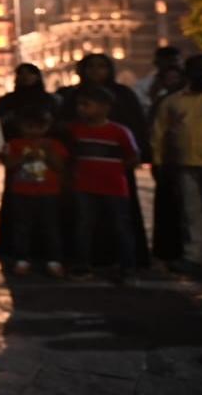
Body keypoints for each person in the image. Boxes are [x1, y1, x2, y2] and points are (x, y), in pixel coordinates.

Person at [56, 54, 150, 267]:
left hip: (115, 172)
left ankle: (125, 261)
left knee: (119, 219)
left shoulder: (123, 95)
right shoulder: (72, 96)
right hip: (82, 171)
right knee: (83, 219)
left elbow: (136, 128)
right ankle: (83, 259)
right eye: (90, 67)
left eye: (101, 67)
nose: (96, 72)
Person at [152, 55, 202, 272]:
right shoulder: (174, 101)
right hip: (186, 164)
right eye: (200, 72)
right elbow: (159, 134)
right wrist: (158, 162)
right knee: (192, 213)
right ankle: (192, 257)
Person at [66, 86, 140, 283]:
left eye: (86, 105)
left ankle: (128, 268)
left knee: (121, 227)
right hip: (84, 186)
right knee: (83, 226)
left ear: (104, 107)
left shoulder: (119, 131)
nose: (81, 109)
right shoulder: (75, 129)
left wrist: (116, 170)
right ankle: (82, 264)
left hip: (114, 186)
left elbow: (133, 157)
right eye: (79, 105)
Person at [0, 64, 60, 257]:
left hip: (45, 155)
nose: (24, 77)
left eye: (29, 73)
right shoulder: (8, 101)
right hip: (16, 152)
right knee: (17, 199)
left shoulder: (49, 101)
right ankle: (15, 245)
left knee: (48, 205)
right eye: (20, 73)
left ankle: (47, 249)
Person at [2, 108, 68, 276]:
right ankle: (21, 259)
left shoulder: (53, 144)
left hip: (49, 193)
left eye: (39, 127)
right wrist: (24, 157)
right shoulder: (14, 144)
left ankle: (54, 260)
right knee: (21, 227)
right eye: (29, 127)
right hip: (22, 192)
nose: (34, 131)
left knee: (51, 227)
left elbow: (60, 166)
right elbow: (9, 164)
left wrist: (48, 152)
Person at [147, 64, 187, 262]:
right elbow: (157, 132)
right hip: (171, 161)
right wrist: (157, 159)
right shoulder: (166, 101)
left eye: (176, 78)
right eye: (168, 79)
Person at [135, 46, 182, 112]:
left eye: (175, 61)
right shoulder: (142, 86)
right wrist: (153, 95)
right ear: (156, 63)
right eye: (167, 61)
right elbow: (140, 110)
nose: (172, 64)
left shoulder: (189, 85)